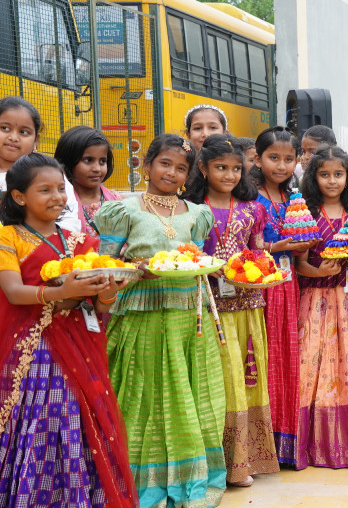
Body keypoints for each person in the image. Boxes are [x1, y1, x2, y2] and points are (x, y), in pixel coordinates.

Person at [95, 134, 226, 507]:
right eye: (164, 163)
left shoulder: (196, 213)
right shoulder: (124, 209)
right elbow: (106, 265)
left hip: (188, 316)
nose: (171, 172)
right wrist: (137, 270)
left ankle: (192, 475)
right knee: (144, 396)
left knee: (188, 395)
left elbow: (195, 258)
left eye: (180, 167)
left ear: (188, 174)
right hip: (141, 317)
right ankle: (139, 479)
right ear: (147, 164)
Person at [0, 153, 137, 507]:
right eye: (44, 190)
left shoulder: (81, 242)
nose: (57, 197)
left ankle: (78, 498)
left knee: (76, 420)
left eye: (61, 189)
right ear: (19, 197)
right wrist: (60, 293)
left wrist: (107, 293)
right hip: (34, 350)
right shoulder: (8, 237)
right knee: (39, 420)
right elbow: (14, 293)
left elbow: (98, 307)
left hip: (81, 344)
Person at [184, 134, 279, 486]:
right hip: (209, 307)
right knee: (219, 380)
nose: (230, 175)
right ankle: (221, 463)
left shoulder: (254, 208)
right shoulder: (193, 209)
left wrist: (262, 271)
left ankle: (248, 459)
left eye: (237, 168)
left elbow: (258, 253)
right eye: (221, 168)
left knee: (249, 377)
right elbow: (188, 254)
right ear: (204, 169)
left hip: (249, 305)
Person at [295, 146, 348, 469]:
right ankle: (314, 446)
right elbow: (299, 263)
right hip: (317, 299)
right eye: (324, 174)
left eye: (338, 174)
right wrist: (318, 271)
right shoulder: (306, 212)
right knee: (313, 368)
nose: (332, 181)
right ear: (314, 178)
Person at [253, 126, 317, 466]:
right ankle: (263, 443)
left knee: (289, 357)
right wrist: (278, 247)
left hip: (290, 287)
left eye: (289, 159)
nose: (281, 165)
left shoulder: (295, 197)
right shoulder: (252, 198)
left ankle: (287, 444)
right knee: (266, 358)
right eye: (273, 158)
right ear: (258, 158)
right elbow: (250, 245)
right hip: (261, 288)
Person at [0, 96, 80, 231]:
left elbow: (70, 221)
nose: (13, 138)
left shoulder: (48, 173)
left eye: (24, 132)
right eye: (5, 128)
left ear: (36, 139)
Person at [53, 126, 121, 236]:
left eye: (102, 161)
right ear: (67, 161)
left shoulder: (116, 200)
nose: (97, 168)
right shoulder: (62, 203)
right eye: (88, 160)